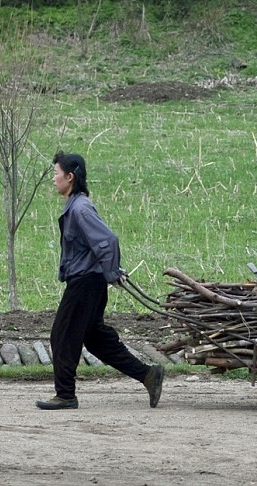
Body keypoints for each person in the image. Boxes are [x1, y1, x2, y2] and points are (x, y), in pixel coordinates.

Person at [35, 152, 164, 410]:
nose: (53, 179)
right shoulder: (75, 206)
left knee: (62, 336)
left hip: (85, 283)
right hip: (89, 283)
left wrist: (112, 271)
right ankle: (148, 375)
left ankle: (65, 395)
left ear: (70, 177)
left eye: (56, 173)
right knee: (95, 339)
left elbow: (108, 241)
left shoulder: (80, 208)